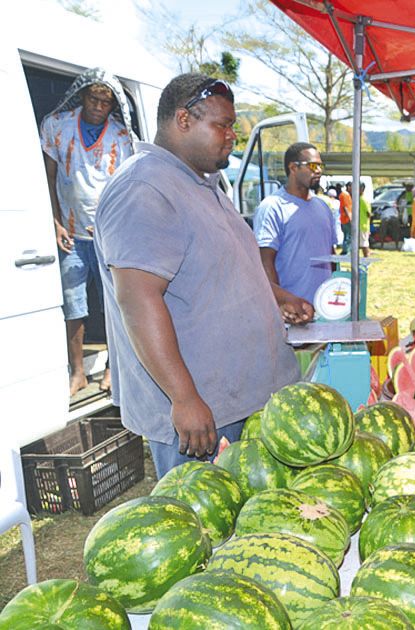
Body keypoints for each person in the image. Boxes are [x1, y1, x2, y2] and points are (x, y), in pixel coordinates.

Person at [93, 73, 309, 478]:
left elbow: (221, 267)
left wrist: (277, 296)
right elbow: (138, 301)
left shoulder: (200, 182)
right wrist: (184, 396)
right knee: (207, 530)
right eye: (222, 125)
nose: (231, 136)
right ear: (183, 120)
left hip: (243, 401)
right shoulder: (144, 187)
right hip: (202, 415)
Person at [41, 68, 135, 396]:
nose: (98, 105)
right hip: (70, 233)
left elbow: (127, 187)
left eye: (106, 101)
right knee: (73, 305)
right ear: (82, 96)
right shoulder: (58, 126)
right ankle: (78, 372)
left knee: (114, 304)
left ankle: (112, 370)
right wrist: (54, 220)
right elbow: (49, 176)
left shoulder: (121, 137)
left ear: (113, 106)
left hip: (108, 235)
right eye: (94, 97)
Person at [253, 142, 335, 305]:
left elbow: (330, 256)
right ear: (293, 168)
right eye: (312, 165)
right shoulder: (272, 207)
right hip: (293, 311)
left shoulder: (323, 207)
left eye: (320, 166)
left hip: (324, 308)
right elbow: (265, 262)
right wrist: (282, 303)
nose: (318, 171)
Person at [339, 182, 353, 254]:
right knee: (348, 236)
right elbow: (345, 207)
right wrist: (350, 218)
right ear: (348, 187)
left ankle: (347, 250)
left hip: (346, 218)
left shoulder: (348, 195)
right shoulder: (344, 195)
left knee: (347, 235)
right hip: (346, 219)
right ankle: (346, 251)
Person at [358, 181, 371, 257]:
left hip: (363, 225)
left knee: (364, 244)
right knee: (362, 243)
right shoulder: (360, 199)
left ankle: (367, 258)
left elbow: (368, 213)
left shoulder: (362, 200)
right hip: (361, 225)